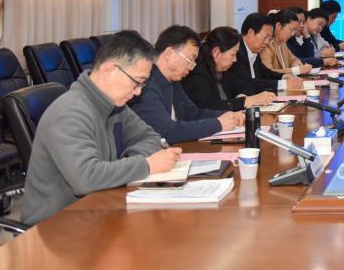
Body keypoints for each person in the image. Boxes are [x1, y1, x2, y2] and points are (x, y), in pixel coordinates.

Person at [22, 31, 182, 225]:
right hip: (56, 225)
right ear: (109, 70)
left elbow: (152, 138)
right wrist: (146, 165)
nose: (138, 92)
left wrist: (130, 161)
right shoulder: (69, 113)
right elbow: (86, 178)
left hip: (97, 207)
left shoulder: (115, 104)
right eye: (137, 82)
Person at [129, 25, 244, 143]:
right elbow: (166, 131)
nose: (192, 67)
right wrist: (218, 124)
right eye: (190, 59)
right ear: (169, 53)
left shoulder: (173, 80)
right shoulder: (146, 84)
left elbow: (192, 114)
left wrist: (228, 115)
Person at [182, 27, 277, 111]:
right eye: (233, 54)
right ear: (216, 52)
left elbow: (248, 85)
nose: (235, 59)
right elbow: (207, 107)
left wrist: (243, 98)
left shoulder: (222, 72)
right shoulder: (197, 74)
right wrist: (246, 101)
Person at [223, 12, 303, 96]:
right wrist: (282, 84)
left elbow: (265, 72)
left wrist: (283, 76)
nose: (267, 42)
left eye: (269, 38)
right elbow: (248, 82)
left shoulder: (254, 49)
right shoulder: (237, 52)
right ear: (250, 32)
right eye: (265, 37)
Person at [260, 9, 314, 75]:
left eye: (294, 31)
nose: (292, 34)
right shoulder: (266, 46)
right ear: (279, 26)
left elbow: (294, 60)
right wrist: (296, 70)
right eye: (291, 30)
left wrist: (297, 66)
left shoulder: (283, 43)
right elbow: (268, 73)